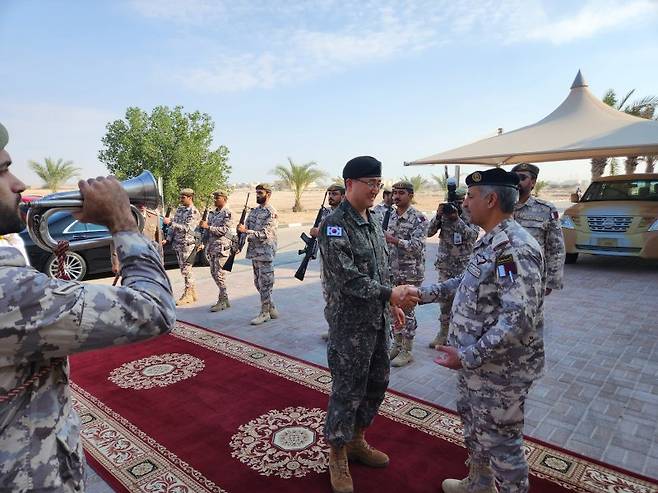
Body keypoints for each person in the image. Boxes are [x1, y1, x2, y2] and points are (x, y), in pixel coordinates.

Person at [0, 121, 176, 491]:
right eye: (3, 171)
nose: (18, 183)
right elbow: (154, 309)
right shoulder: (9, 291)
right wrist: (123, 223)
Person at [406, 168, 545, 493]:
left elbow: (517, 317)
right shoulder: (492, 242)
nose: (464, 203)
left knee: (502, 445)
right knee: (475, 429)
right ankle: (479, 485)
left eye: (470, 196)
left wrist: (468, 355)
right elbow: (467, 281)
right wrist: (422, 294)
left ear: (491, 199)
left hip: (500, 371)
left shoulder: (511, 249)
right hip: (477, 366)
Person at [318, 156, 418, 493]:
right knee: (348, 389)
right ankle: (337, 454)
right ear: (350, 184)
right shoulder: (335, 224)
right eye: (369, 183)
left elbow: (381, 268)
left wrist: (390, 306)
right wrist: (391, 294)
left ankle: (357, 440)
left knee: (378, 381)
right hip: (349, 325)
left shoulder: (373, 221)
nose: (377, 189)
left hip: (375, 321)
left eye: (379, 183)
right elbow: (348, 278)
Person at [426, 187, 479, 348]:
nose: (457, 205)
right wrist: (438, 215)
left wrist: (456, 219)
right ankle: (443, 333)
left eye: (460, 201)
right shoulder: (444, 215)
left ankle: (460, 336)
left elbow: (472, 236)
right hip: (445, 266)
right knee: (444, 303)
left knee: (463, 303)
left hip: (464, 267)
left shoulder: (471, 214)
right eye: (454, 201)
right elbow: (428, 232)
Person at [385, 180, 428, 367]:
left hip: (411, 272)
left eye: (401, 192)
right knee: (394, 309)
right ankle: (397, 343)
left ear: (411, 195)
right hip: (391, 271)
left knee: (408, 312)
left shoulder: (419, 219)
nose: (396, 196)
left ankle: (407, 349)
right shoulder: (388, 216)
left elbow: (417, 247)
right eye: (394, 192)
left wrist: (395, 240)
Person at [511, 163, 565, 295]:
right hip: (506, 274)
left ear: (533, 182)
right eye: (514, 178)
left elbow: (556, 247)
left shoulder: (545, 209)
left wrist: (551, 280)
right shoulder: (502, 208)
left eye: (522, 178)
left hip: (532, 277)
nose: (518, 182)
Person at [238, 183, 278, 325]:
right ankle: (271, 306)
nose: (258, 195)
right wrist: (239, 243)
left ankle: (265, 313)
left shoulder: (270, 213)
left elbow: (265, 234)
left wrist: (246, 231)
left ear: (268, 194)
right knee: (258, 283)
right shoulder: (254, 211)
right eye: (257, 193)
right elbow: (245, 227)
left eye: (260, 193)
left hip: (265, 252)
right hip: (255, 252)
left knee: (265, 283)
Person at [309, 183, 345, 341]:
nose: (331, 196)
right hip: (326, 263)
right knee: (329, 299)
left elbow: (344, 232)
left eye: (335, 194)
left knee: (342, 300)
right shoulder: (325, 213)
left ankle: (342, 332)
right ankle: (333, 329)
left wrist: (321, 232)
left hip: (341, 264)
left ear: (343, 196)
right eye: (329, 193)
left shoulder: (345, 213)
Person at [163, 188, 201, 305]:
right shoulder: (180, 210)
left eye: (183, 197)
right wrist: (168, 238)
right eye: (180, 197)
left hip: (187, 245)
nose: (180, 199)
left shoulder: (193, 212)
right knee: (184, 269)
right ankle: (192, 292)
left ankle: (188, 294)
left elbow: (188, 229)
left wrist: (170, 222)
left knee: (187, 270)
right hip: (178, 244)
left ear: (190, 198)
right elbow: (173, 227)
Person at [201, 190, 235, 312]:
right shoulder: (212, 213)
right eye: (214, 198)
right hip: (212, 248)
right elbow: (206, 231)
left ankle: (224, 300)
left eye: (217, 198)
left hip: (221, 248)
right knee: (214, 274)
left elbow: (224, 230)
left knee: (219, 275)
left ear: (224, 199)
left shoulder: (228, 213)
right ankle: (222, 299)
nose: (215, 200)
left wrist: (208, 227)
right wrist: (202, 241)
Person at [111, 202, 164, 274]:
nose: (141, 205)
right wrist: (116, 263)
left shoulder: (154, 216)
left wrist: (160, 261)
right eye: (139, 202)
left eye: (144, 202)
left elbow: (158, 241)